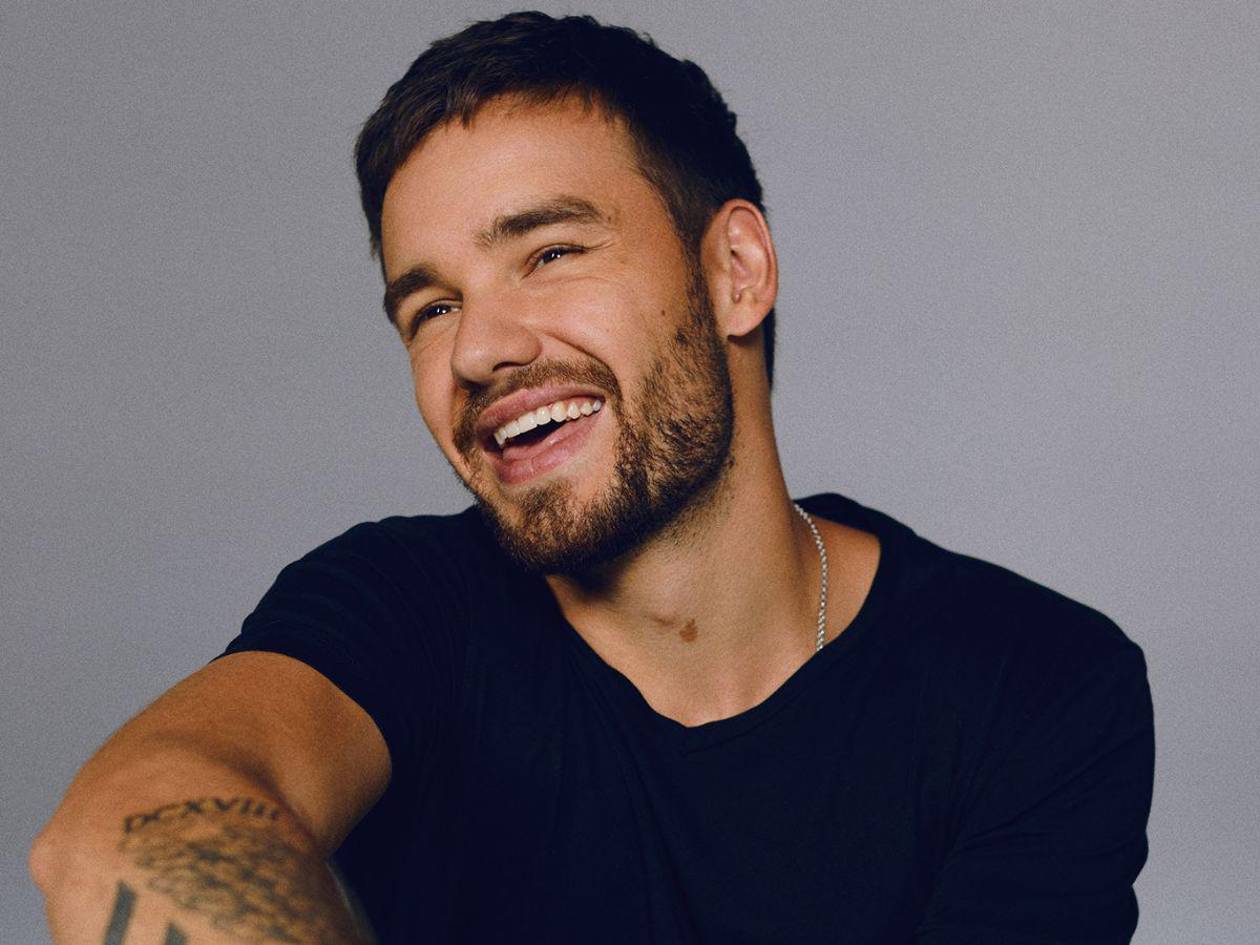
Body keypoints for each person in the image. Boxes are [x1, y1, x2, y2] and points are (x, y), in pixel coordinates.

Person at [31, 11, 1154, 945]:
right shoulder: (404, 610)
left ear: (736, 271)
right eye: (432, 307)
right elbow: (126, 833)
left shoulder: (1033, 686)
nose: (478, 350)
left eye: (551, 252)